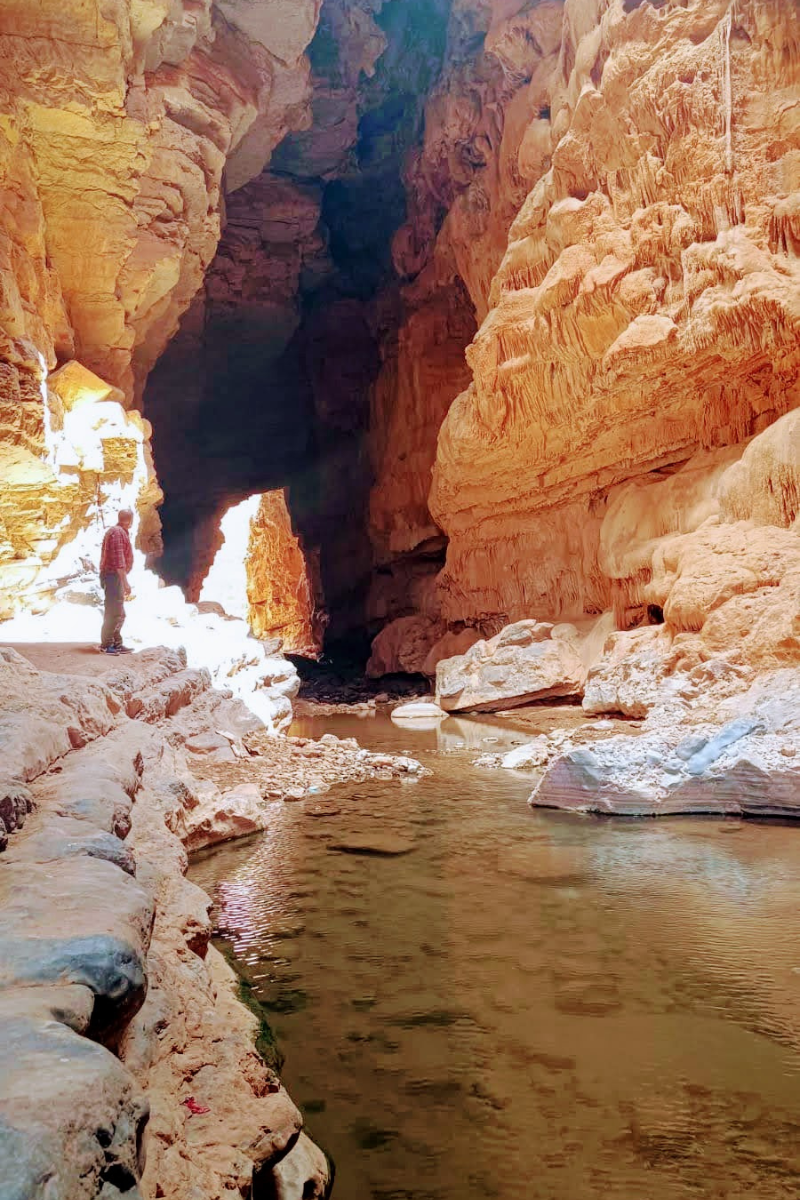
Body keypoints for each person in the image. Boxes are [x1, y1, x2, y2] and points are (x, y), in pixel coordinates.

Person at [99, 508, 135, 654]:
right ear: (130, 520)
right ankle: (107, 645)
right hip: (113, 577)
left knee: (119, 612)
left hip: (115, 577)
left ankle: (116, 643)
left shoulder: (119, 532)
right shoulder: (117, 533)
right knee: (113, 611)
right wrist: (125, 582)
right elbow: (119, 561)